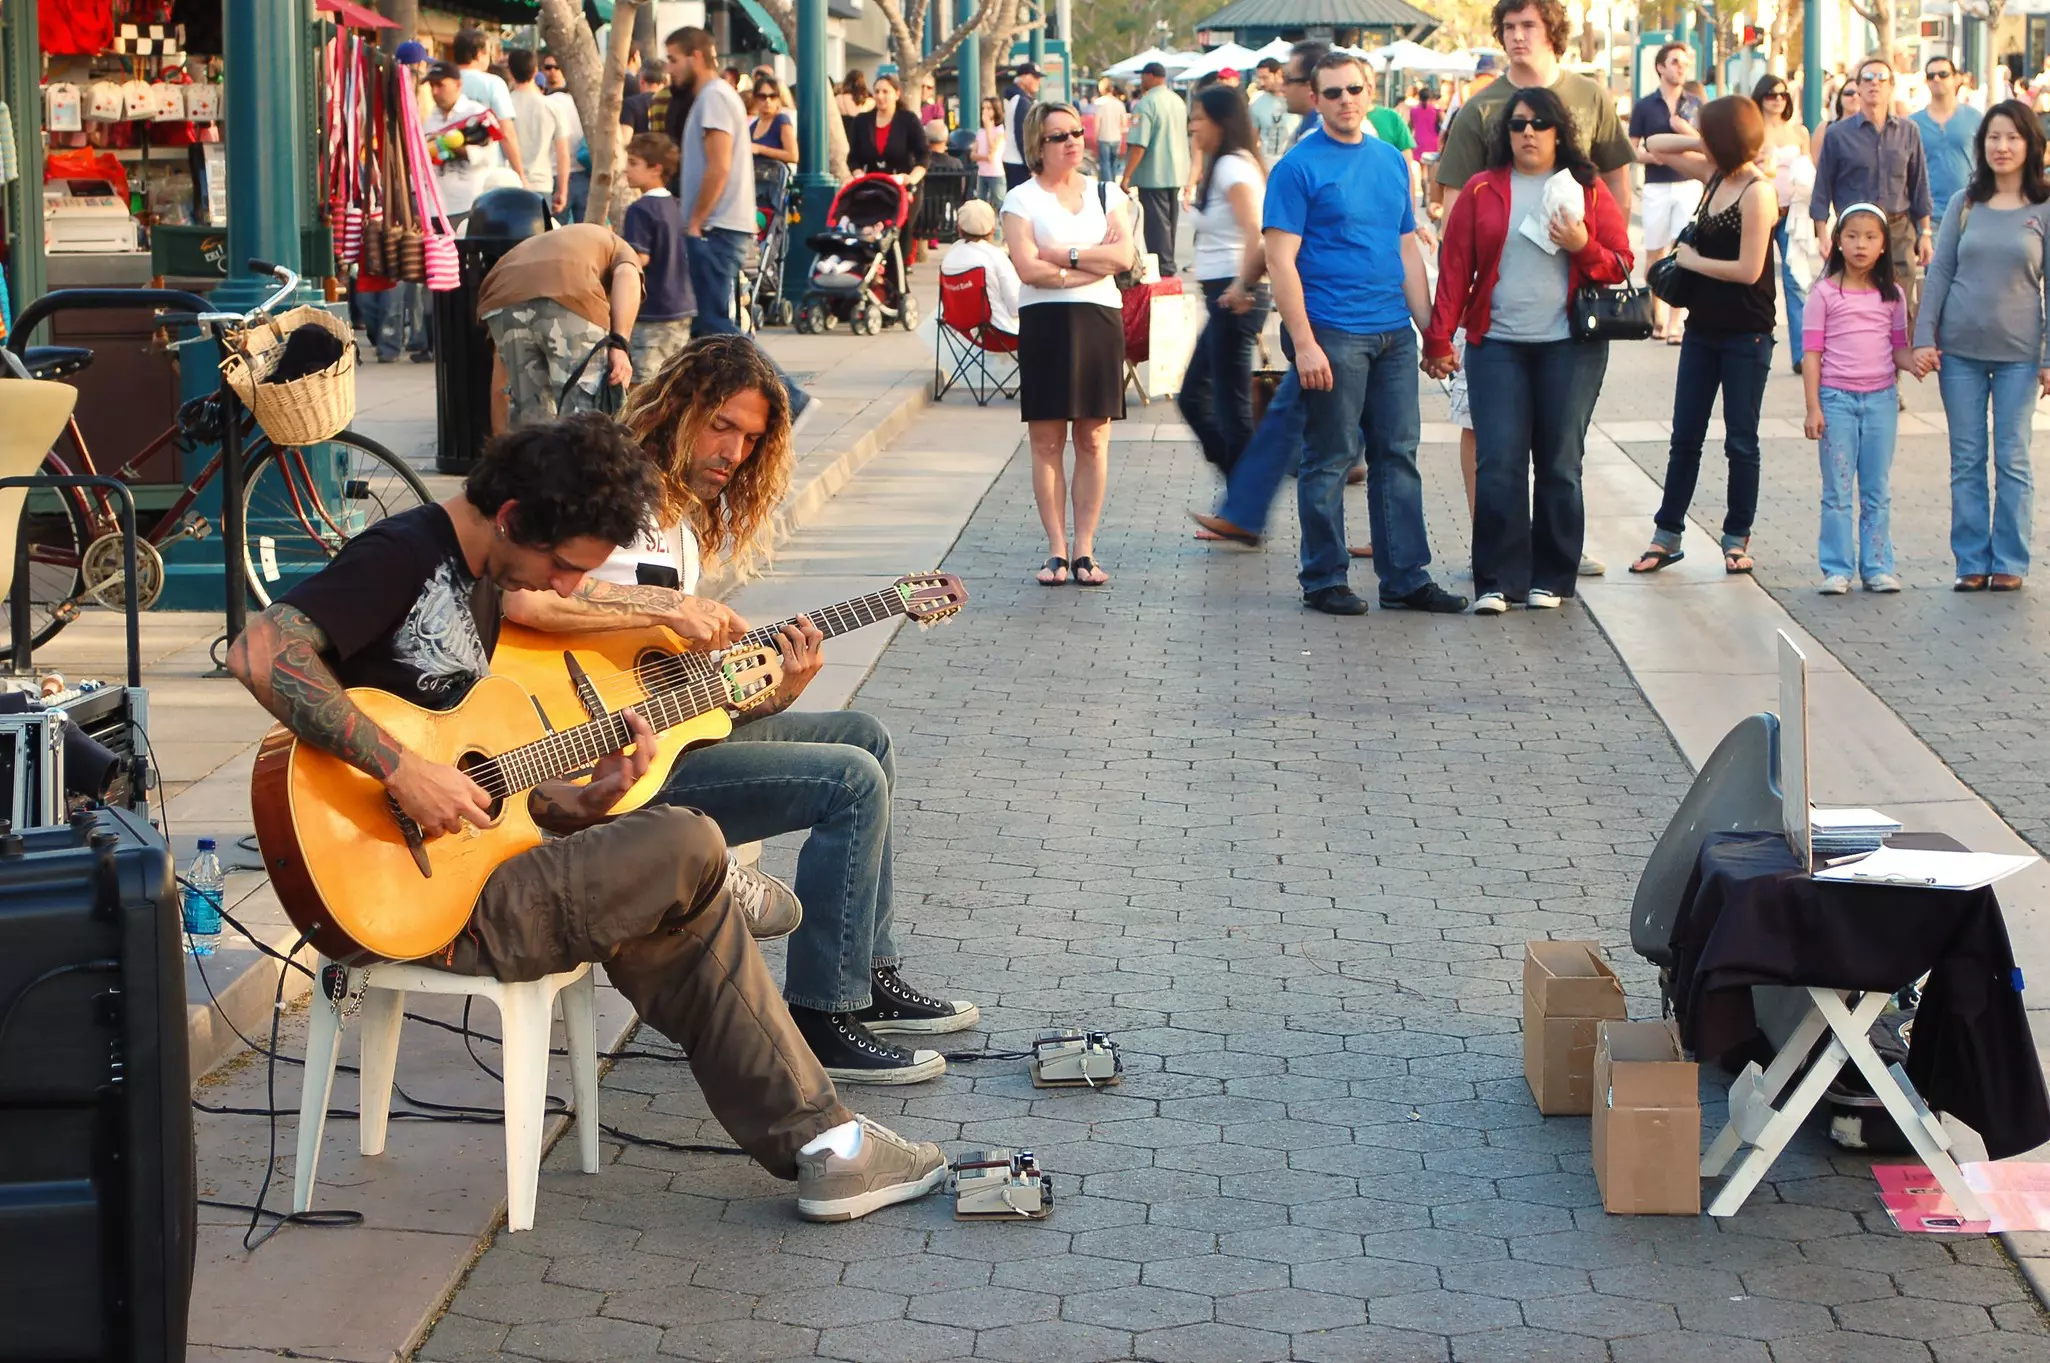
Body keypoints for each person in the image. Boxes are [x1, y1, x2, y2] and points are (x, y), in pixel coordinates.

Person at [227, 415, 949, 1219]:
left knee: (673, 876)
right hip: (413, 900)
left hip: (485, 868)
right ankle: (825, 1138)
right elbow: (261, 650)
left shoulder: (488, 583)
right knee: (687, 841)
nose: (571, 591)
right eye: (564, 565)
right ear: (509, 519)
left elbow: (510, 801)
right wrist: (401, 767)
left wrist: (593, 797)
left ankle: (826, 1145)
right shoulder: (401, 556)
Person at [504, 339, 981, 1082]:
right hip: (604, 767)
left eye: (752, 438)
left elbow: (678, 681)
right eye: (722, 424)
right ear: (678, 408)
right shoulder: (609, 497)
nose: (733, 450)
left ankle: (868, 970)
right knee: (849, 782)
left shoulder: (684, 526)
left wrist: (778, 688)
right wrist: (667, 602)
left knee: (868, 738)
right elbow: (522, 594)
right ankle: (822, 1013)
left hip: (671, 741)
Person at [1434, 0, 1634, 575]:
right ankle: (1496, 555)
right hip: (1495, 320)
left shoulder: (1590, 96)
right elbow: (1456, 216)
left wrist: (1589, 244)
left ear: (1552, 31)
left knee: (1558, 455)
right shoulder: (1480, 108)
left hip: (1569, 321)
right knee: (1492, 444)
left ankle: (1552, 558)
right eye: (1509, 28)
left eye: (1529, 26)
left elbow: (1615, 182)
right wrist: (1443, 330)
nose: (1517, 37)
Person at [1268, 51, 1464, 617]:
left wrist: (1432, 332)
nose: (1345, 99)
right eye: (1333, 92)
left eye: (1354, 89)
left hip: (1392, 333)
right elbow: (1281, 262)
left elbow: (1406, 247)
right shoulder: (1297, 168)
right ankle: (1324, 578)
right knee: (1329, 457)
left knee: (1398, 453)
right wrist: (1304, 342)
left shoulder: (1389, 162)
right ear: (1314, 98)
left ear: (1371, 91)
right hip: (1331, 330)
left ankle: (1404, 576)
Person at [1192, 39, 1337, 552]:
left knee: (1252, 411)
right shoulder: (1301, 143)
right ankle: (1245, 509)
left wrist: (1243, 286)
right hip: (1291, 305)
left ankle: (1249, 509)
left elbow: (1265, 233)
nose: (1280, 86)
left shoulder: (1261, 160)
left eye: (1290, 79)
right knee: (1278, 417)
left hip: (1326, 310)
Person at [1632, 96, 1780, 577]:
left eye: (1707, 132)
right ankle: (1666, 534)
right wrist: (1703, 140)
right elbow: (1652, 145)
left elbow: (1747, 269)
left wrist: (1694, 263)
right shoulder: (1712, 175)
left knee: (1741, 440)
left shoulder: (1757, 191)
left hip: (1747, 334)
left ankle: (1736, 537)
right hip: (1703, 330)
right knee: (1685, 437)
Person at [1914, 100, 2050, 592]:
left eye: (2013, 137)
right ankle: (1971, 561)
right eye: (1993, 137)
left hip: (2019, 354)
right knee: (1966, 458)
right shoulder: (1964, 204)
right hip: (1960, 353)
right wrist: (1922, 339)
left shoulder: (2044, 206)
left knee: (2013, 458)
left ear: (2030, 144)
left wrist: (2049, 358)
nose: (2002, 146)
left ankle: (2010, 560)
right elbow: (1940, 273)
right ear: (1982, 143)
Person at [1001, 101, 1137, 589]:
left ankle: (1085, 550)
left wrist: (1064, 256)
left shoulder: (1108, 192)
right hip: (1046, 324)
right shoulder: (1021, 200)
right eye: (1060, 136)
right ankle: (1057, 549)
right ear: (1039, 145)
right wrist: (1086, 267)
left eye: (1078, 132)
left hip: (1099, 319)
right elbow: (1026, 268)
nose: (1073, 141)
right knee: (1047, 442)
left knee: (1094, 439)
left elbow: (1124, 256)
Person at [1801, 203, 1914, 595]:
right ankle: (1836, 568)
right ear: (1837, 242)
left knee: (1876, 488)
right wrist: (1813, 407)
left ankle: (1878, 566)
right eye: (1851, 236)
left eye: (1870, 237)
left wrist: (1917, 362)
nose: (1860, 245)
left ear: (1884, 245)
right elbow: (1811, 353)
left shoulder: (1893, 296)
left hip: (1882, 400)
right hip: (1836, 401)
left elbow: (1898, 350)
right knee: (1837, 489)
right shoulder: (1824, 294)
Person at [1176, 86, 1269, 477]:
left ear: (1220, 121)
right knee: (1209, 399)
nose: (1192, 125)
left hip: (1235, 296)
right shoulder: (1228, 162)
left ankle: (1245, 497)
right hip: (1226, 294)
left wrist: (1242, 286)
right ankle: (1243, 490)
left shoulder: (1233, 166)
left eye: (1198, 117)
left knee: (1212, 401)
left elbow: (1257, 230)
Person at [477, 223, 642, 427]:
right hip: (568, 291)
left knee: (531, 417)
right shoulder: (619, 245)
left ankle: (528, 456)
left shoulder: (557, 242)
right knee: (584, 416)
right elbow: (627, 275)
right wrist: (619, 344)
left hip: (500, 296)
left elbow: (499, 381)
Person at [1811, 55, 1934, 318]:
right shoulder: (1837, 134)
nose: (1874, 84)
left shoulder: (1909, 131)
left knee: (1901, 309)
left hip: (1899, 230)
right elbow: (1822, 187)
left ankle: (1900, 360)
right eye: (1867, 79)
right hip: (1854, 231)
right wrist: (1823, 235)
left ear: (1891, 87)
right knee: (1853, 307)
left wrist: (1925, 233)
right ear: (1857, 87)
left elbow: (1919, 185)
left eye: (1881, 79)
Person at [1631, 43, 1704, 343]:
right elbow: (1632, 147)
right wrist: (1652, 156)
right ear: (1660, 67)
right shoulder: (1645, 106)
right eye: (1674, 61)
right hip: (1656, 185)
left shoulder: (1695, 104)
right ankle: (1655, 315)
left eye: (1684, 63)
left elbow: (1705, 143)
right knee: (1655, 251)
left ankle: (1676, 321)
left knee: (1682, 249)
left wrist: (1682, 128)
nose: (1680, 67)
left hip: (1688, 182)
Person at [621, 134, 695, 382]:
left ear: (656, 169)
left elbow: (638, 258)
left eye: (633, 163)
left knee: (645, 383)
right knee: (673, 382)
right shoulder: (678, 205)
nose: (626, 169)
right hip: (682, 305)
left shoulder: (640, 210)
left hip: (652, 309)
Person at [1755, 74, 1814, 376]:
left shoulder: (1799, 133)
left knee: (1796, 281)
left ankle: (1802, 353)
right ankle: (1757, 344)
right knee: (1758, 282)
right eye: (1770, 95)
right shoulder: (1752, 131)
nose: (1777, 100)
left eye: (1782, 95)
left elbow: (1808, 171)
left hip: (1793, 212)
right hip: (1762, 210)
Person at [1122, 62, 1189, 275]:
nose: (1141, 82)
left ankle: (1164, 267)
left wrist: (1127, 176)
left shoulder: (1146, 104)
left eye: (1143, 77)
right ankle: (1168, 263)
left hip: (1154, 173)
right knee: (1170, 222)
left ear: (1150, 76)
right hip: (1176, 171)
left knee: (1156, 225)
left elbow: (1139, 144)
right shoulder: (1177, 101)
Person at [422, 62, 507, 228]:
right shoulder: (430, 119)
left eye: (440, 85)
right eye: (432, 86)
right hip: (435, 208)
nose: (434, 92)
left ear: (458, 84)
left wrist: (450, 145)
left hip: (469, 206)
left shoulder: (476, 114)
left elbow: (487, 157)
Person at [1912, 54, 1982, 225]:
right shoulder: (1913, 123)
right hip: (1929, 215)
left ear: (1956, 79)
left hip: (1970, 210)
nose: (1936, 79)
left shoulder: (1975, 118)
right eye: (1931, 76)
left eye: (1943, 74)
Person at [451, 28, 527, 183]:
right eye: (488, 53)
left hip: (450, 172)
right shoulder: (493, 84)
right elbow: (506, 132)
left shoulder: (443, 83)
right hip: (486, 174)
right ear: (479, 54)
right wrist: (520, 175)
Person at [940, 198, 1021, 335]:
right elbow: (1016, 306)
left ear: (959, 229)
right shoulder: (996, 256)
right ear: (992, 229)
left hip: (961, 330)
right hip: (998, 334)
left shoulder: (950, 255)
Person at [506, 50, 569, 219]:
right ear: (535, 71)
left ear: (510, 71)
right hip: (542, 183)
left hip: (508, 182)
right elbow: (563, 153)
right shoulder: (552, 107)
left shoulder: (504, 106)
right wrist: (562, 191)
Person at [847, 73, 929, 184]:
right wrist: (859, 175)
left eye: (885, 92)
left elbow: (924, 155)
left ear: (897, 94)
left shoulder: (909, 120)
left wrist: (910, 179)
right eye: (876, 92)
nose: (880, 96)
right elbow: (853, 158)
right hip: (873, 187)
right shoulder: (861, 121)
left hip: (903, 188)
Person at [543, 64, 587, 224]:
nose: (552, 72)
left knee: (556, 234)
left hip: (555, 174)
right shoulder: (583, 104)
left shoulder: (546, 104)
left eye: (556, 67)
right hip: (583, 172)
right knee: (587, 235)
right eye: (548, 67)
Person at [1000, 62, 1044, 189]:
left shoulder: (1015, 98)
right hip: (1019, 162)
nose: (1038, 81)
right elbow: (1023, 134)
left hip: (1013, 159)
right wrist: (1031, 163)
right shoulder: (1021, 101)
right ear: (1024, 77)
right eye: (1035, 77)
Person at [1249, 59, 1296, 160]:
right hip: (1268, 162)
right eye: (1259, 78)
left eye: (1265, 78)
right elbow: (1252, 139)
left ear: (1278, 74)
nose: (1262, 82)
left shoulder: (1294, 100)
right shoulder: (1257, 103)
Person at [749, 75, 798, 164]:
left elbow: (793, 156)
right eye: (762, 96)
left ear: (779, 99)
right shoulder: (753, 125)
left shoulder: (781, 120)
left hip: (774, 175)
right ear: (755, 99)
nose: (768, 101)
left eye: (773, 96)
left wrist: (760, 149)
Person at [972, 95, 1008, 203]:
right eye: (983, 108)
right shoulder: (980, 132)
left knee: (999, 203)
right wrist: (984, 157)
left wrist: (988, 130)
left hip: (995, 174)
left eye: (989, 108)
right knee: (981, 203)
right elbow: (973, 154)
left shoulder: (1000, 131)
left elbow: (992, 152)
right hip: (982, 174)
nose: (985, 111)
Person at [1092, 77, 1129, 177]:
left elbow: (1097, 122)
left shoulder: (1099, 103)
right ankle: (1112, 185)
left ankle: (1108, 185)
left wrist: (1095, 136)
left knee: (1105, 163)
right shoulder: (1120, 104)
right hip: (1116, 137)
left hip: (1103, 137)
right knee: (1113, 163)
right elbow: (1124, 123)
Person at [1408, 81, 1445, 164]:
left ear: (1419, 97)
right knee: (1432, 170)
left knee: (1420, 170)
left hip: (1418, 142)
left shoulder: (1413, 111)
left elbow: (1410, 126)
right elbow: (1445, 125)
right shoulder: (1436, 111)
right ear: (1431, 98)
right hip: (1433, 143)